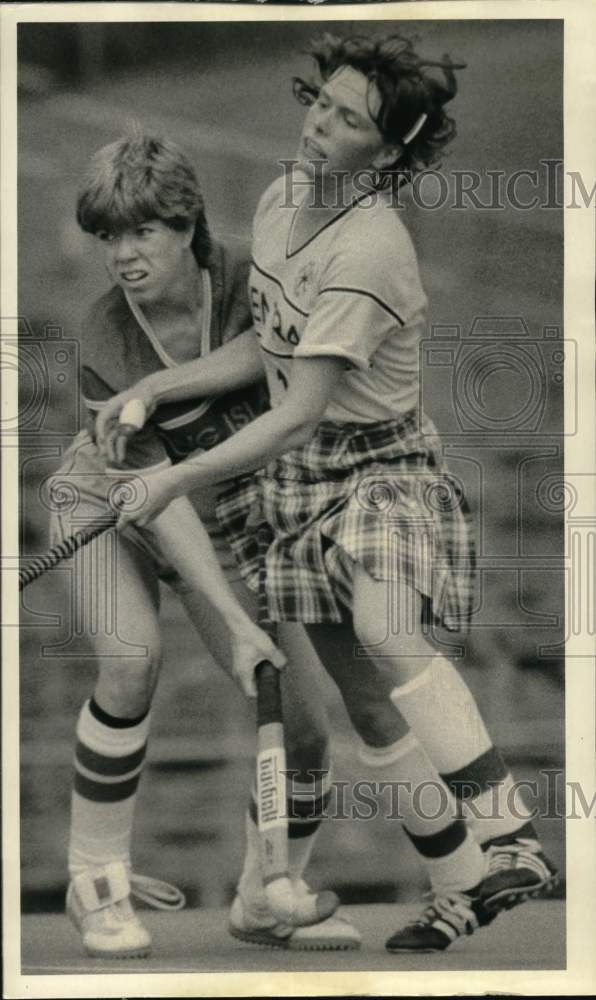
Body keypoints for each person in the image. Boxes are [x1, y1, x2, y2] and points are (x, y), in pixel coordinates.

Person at [103, 34, 558, 953]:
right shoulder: (280, 200)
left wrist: (174, 476)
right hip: (301, 484)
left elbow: (299, 410)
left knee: (388, 632)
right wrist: (155, 386)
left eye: (349, 120)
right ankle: (463, 885)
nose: (320, 124)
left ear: (384, 152)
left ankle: (511, 836)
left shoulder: (371, 249)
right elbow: (270, 349)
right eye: (323, 102)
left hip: (381, 467)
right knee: (369, 703)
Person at [48, 130, 362, 958]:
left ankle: (265, 895)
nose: (122, 254)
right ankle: (96, 883)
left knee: (303, 725)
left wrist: (160, 387)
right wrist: (232, 620)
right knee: (131, 661)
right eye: (108, 236)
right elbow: (160, 502)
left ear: (188, 226)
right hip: (107, 505)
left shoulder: (252, 275)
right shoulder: (102, 337)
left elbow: (280, 345)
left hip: (227, 518)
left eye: (142, 231)